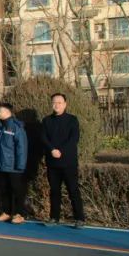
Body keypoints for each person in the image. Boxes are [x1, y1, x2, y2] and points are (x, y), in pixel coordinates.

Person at [40, 93, 85, 228]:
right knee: (54, 191)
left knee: (73, 190)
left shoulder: (72, 120)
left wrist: (61, 151)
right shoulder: (46, 120)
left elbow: (74, 139)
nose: (56, 105)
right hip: (52, 162)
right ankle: (54, 217)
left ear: (65, 104)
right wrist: (52, 150)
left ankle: (79, 218)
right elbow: (43, 138)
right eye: (54, 102)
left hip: (68, 162)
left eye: (59, 102)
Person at [0, 103, 28, 225]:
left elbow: (21, 147)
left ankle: (19, 214)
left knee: (17, 190)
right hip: (0, 164)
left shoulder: (16, 127)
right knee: (4, 189)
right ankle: (6, 212)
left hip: (13, 166)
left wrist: (20, 165)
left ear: (7, 112)